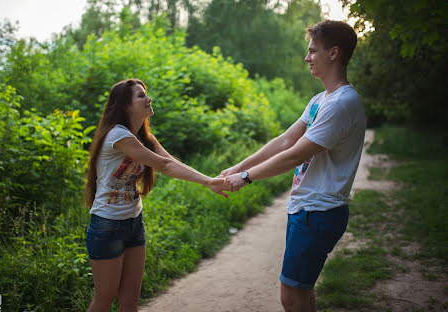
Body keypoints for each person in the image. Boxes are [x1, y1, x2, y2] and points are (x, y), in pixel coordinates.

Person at [221, 20, 365, 312]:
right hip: (307, 208)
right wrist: (237, 166)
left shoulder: (340, 104)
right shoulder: (320, 100)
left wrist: (245, 178)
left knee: (291, 296)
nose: (307, 57)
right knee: (302, 292)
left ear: (333, 53)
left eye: (313, 51)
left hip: (319, 211)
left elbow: (294, 155)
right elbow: (285, 140)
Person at [84, 78, 227, 312]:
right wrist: (209, 182)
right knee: (104, 299)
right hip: (107, 226)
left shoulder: (144, 137)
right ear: (125, 106)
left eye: (145, 94)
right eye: (140, 96)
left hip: (133, 223)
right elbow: (164, 166)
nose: (148, 98)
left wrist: (208, 179)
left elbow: (169, 161)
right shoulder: (117, 136)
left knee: (130, 301)